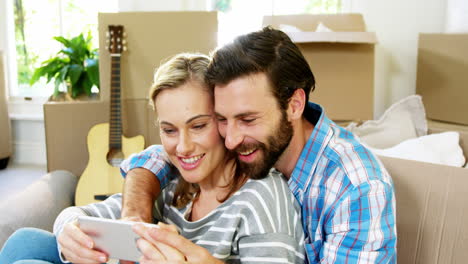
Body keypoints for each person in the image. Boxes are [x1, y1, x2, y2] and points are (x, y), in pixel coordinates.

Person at [120, 27, 397, 263]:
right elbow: (168, 154)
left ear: (294, 105)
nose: (231, 139)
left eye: (248, 119)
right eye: (221, 120)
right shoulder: (247, 147)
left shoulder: (356, 187)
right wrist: (135, 210)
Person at [0, 53, 305, 264]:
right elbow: (85, 213)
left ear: (224, 119)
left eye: (198, 126)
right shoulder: (173, 181)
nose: (183, 147)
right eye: (169, 130)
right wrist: (68, 229)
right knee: (23, 240)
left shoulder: (262, 196)